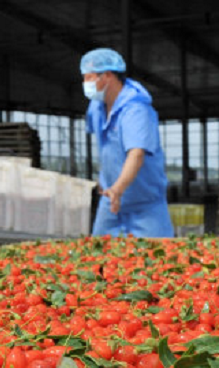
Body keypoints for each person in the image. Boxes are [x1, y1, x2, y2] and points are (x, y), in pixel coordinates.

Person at [81, 48, 173, 237]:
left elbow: (136, 153)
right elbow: (106, 147)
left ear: (107, 76)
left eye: (89, 78)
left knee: (156, 259)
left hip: (144, 203)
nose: (85, 83)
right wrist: (104, 179)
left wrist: (118, 188)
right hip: (110, 200)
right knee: (100, 257)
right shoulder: (96, 107)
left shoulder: (136, 109)